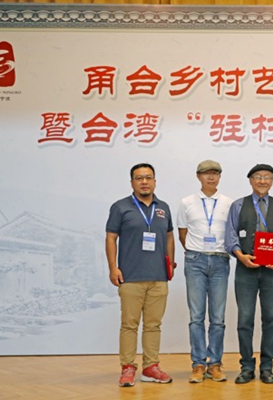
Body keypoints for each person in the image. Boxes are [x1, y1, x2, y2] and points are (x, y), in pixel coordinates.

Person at [105, 163, 175, 387]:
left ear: (155, 181)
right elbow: (111, 238)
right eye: (139, 178)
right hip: (130, 277)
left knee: (153, 325)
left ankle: (150, 367)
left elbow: (170, 236)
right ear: (132, 182)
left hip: (158, 277)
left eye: (148, 177)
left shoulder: (163, 208)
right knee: (129, 325)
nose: (144, 182)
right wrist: (113, 267)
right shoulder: (120, 207)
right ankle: (127, 367)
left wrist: (170, 263)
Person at [225, 164, 273, 384]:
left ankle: (267, 366)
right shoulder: (238, 205)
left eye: (267, 177)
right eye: (258, 177)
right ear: (250, 180)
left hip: (271, 271)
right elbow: (231, 236)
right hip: (246, 270)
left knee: (271, 318)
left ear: (272, 181)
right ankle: (246, 366)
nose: (262, 181)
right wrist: (240, 256)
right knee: (245, 319)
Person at [177, 160, 233, 383]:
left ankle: (215, 364)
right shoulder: (186, 202)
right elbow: (182, 233)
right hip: (195, 260)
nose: (210, 177)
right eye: (206, 173)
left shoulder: (229, 203)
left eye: (215, 173)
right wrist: (196, 251)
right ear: (198, 176)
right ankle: (199, 364)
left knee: (217, 318)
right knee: (196, 317)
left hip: (220, 260)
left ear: (220, 177)